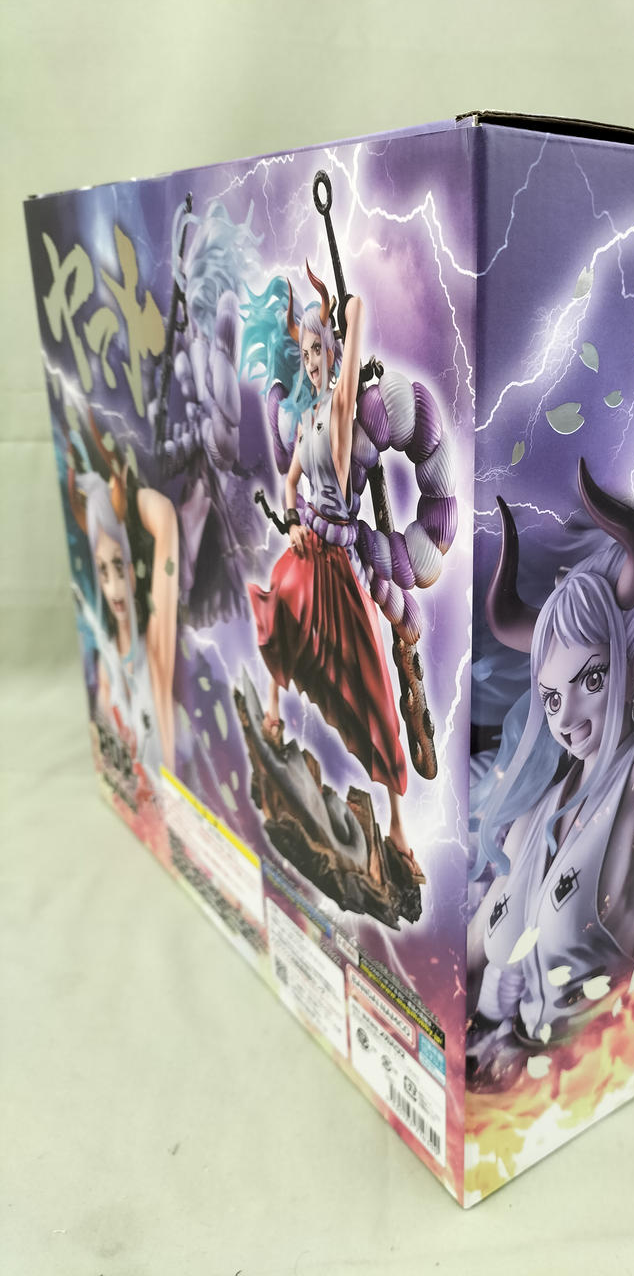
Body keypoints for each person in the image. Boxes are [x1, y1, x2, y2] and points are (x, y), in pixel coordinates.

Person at [467, 461, 634, 1081]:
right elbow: (474, 949)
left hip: (591, 1082)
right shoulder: (538, 808)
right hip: (499, 1078)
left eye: (590, 680)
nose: (566, 718)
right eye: (551, 698)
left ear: (628, 659)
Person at [245, 269, 418, 874]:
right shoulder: (306, 418)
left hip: (341, 567)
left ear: (335, 353)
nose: (315, 362)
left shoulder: (341, 411)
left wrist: (347, 311)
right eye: (308, 353)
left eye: (322, 351)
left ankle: (397, 825)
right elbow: (290, 483)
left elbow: (357, 317)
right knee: (277, 601)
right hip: (309, 551)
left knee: (374, 691)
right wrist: (293, 521)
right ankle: (272, 709)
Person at [68, 423, 179, 777]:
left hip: (168, 805)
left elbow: (164, 516)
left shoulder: (155, 652)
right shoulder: (107, 668)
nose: (114, 587)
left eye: (118, 567)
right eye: (103, 571)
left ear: (131, 573)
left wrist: (125, 497)